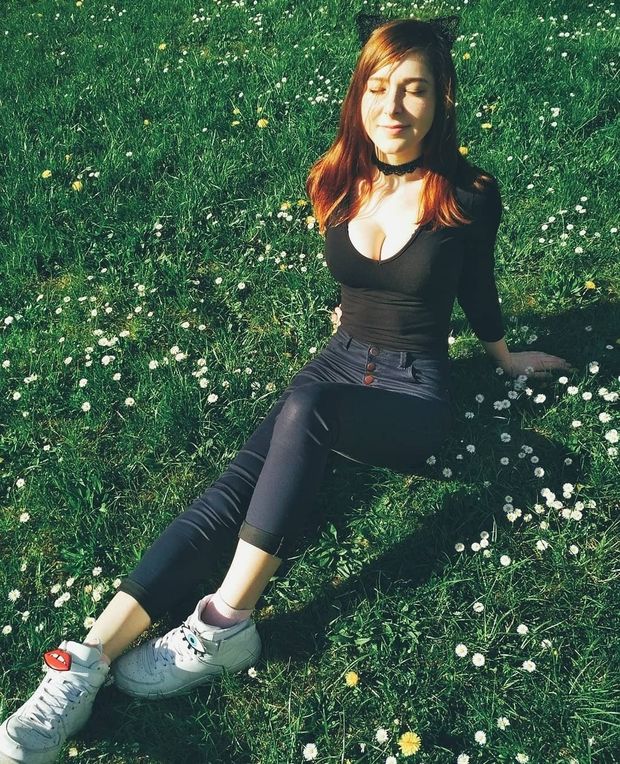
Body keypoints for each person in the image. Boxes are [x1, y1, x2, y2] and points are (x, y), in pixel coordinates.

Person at [0, 13, 573, 763]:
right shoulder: (340, 177)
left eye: (414, 90)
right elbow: (363, 279)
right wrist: (352, 315)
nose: (393, 107)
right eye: (378, 87)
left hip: (414, 393)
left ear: (442, 100)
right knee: (227, 493)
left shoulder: (467, 192)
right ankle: (85, 661)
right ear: (358, 94)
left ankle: (226, 623)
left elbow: (478, 284)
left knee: (308, 409)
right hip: (336, 367)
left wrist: (503, 356)